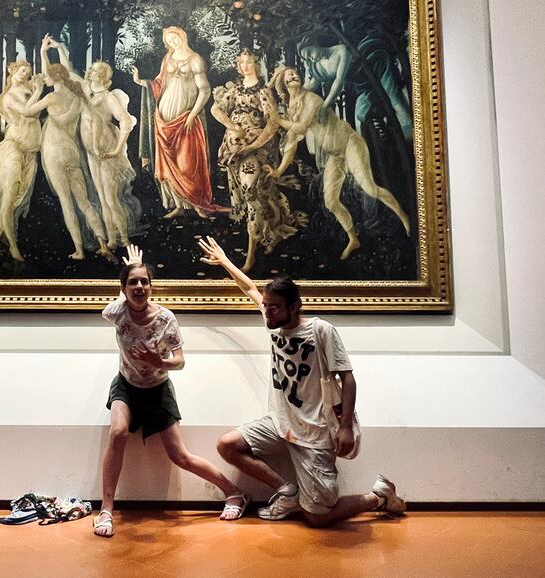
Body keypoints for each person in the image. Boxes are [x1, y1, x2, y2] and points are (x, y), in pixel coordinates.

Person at [197, 236, 406, 527]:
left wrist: (345, 426)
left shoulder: (320, 330)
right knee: (228, 445)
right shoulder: (273, 323)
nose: (267, 311)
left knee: (318, 517)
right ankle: (287, 491)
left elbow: (348, 378)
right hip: (281, 422)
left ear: (295, 306)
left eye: (274, 307)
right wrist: (224, 261)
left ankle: (379, 497)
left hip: (315, 430)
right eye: (266, 306)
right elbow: (249, 288)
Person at [94, 244, 248, 538]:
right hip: (126, 385)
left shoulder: (166, 319)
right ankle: (106, 509)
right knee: (118, 433)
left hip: (157, 388)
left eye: (144, 281)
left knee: (180, 455)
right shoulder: (116, 312)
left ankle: (234, 492)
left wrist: (159, 362)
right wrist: (132, 266)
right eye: (133, 282)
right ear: (123, 288)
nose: (139, 287)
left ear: (152, 287)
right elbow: (114, 304)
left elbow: (180, 361)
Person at [259, 67, 410, 260]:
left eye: (295, 73)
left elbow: (302, 127)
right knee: (330, 201)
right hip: (334, 154)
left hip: (349, 144)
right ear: (284, 83)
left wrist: (277, 119)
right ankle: (353, 239)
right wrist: (279, 171)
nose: (294, 75)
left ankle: (404, 217)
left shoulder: (311, 99)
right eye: (289, 75)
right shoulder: (292, 107)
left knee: (369, 188)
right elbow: (292, 142)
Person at [211, 49, 306, 272]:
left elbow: (272, 124)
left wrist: (252, 146)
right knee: (258, 194)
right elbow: (216, 109)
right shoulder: (234, 90)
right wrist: (233, 127)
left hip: (256, 148)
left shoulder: (264, 92)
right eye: (241, 62)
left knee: (250, 192)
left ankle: (251, 254)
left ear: (256, 64)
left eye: (249, 62)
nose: (245, 66)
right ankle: (273, 230)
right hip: (233, 149)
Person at [46, 36, 142, 250]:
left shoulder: (108, 97)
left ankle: (124, 239)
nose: (92, 71)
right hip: (90, 149)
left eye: (98, 70)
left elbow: (125, 122)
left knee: (110, 198)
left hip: (105, 149)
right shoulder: (85, 87)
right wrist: (59, 47)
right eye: (92, 69)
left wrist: (117, 150)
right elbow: (67, 71)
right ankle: (111, 239)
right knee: (100, 196)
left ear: (105, 76)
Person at [29, 37, 113, 262]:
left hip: (54, 152)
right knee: (84, 202)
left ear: (51, 79)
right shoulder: (78, 96)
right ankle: (103, 244)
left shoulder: (51, 97)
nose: (44, 77)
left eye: (46, 76)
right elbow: (97, 119)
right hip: (72, 152)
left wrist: (37, 89)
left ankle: (79, 250)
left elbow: (27, 112)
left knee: (67, 202)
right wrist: (49, 52)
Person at [132, 26, 219, 219]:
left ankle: (197, 204)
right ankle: (178, 205)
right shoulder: (167, 59)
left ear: (183, 36)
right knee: (167, 164)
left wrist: (192, 115)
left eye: (175, 38)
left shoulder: (195, 60)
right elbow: (159, 84)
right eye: (169, 41)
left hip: (185, 118)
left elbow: (205, 90)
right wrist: (140, 81)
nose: (173, 42)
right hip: (163, 119)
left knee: (187, 163)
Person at [0, 61, 44, 262]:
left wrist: (43, 51)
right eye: (22, 70)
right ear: (13, 71)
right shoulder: (8, 96)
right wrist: (39, 91)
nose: (25, 74)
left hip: (30, 152)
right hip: (13, 149)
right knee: (9, 200)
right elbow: (27, 111)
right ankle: (13, 246)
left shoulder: (29, 88)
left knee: (15, 199)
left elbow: (43, 76)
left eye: (28, 72)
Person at [299, 38, 413, 140]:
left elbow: (339, 81)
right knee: (362, 113)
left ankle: (413, 135)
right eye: (307, 59)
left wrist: (325, 106)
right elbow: (311, 85)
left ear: (315, 43)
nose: (311, 59)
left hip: (374, 70)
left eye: (309, 53)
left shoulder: (341, 51)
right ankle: (387, 137)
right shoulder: (318, 65)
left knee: (395, 101)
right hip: (361, 86)